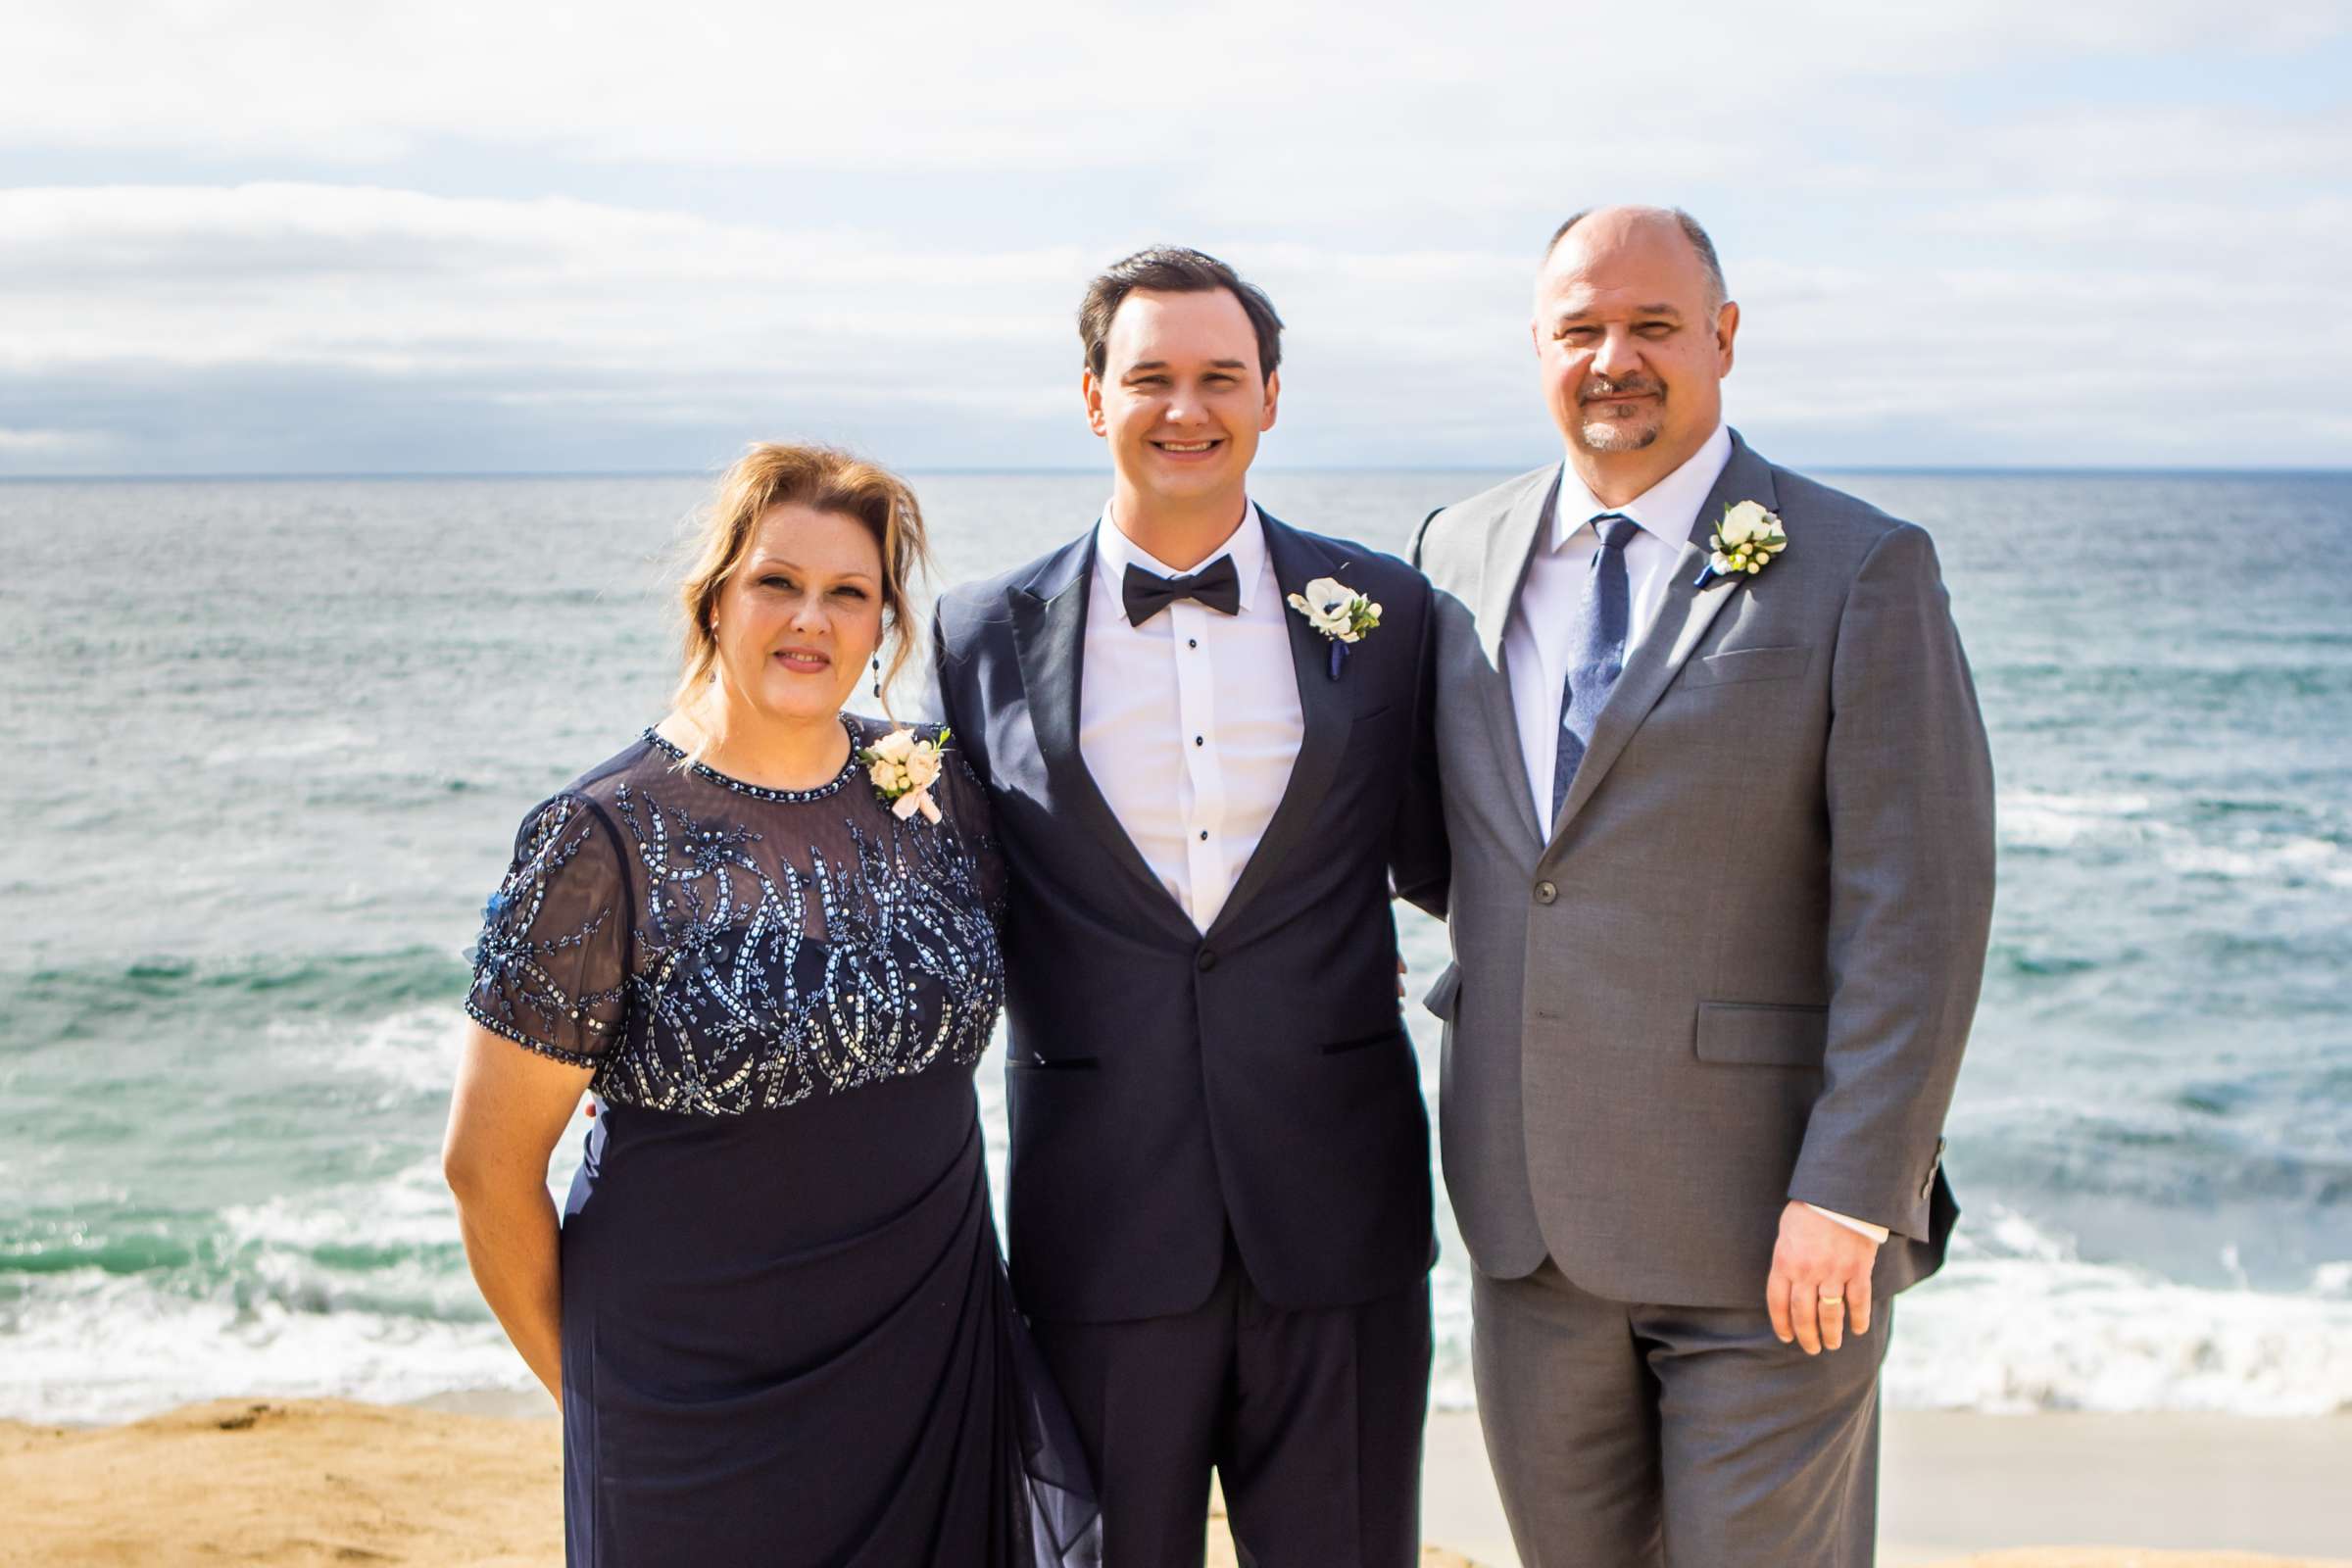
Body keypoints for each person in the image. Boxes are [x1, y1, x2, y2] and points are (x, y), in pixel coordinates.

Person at [1409, 206, 1995, 1567]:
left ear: (1722, 338)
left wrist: (1852, 1194)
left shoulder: (1862, 566)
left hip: (1772, 1237)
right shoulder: (1455, 557)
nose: (1616, 357)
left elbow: (1920, 908)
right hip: (1528, 1227)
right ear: (1538, 350)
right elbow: (1464, 854)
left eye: (1653, 325)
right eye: (1581, 329)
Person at [441, 444, 1099, 1568]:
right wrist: (604, 1394)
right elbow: (486, 1167)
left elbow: (1091, 934)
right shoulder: (599, 838)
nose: (812, 619)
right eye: (776, 583)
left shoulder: (939, 791)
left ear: (886, 622)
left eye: (850, 592)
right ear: (714, 599)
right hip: (691, 1404)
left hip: (927, 1368)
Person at [932, 247, 1448, 1568]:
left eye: (1221, 377)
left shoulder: (1387, 612)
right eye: (1149, 376)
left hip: (1342, 1219)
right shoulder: (976, 632)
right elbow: (929, 906)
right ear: (1093, 398)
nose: (1186, 408)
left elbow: (1465, 861)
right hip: (1098, 1226)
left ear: (1271, 396)